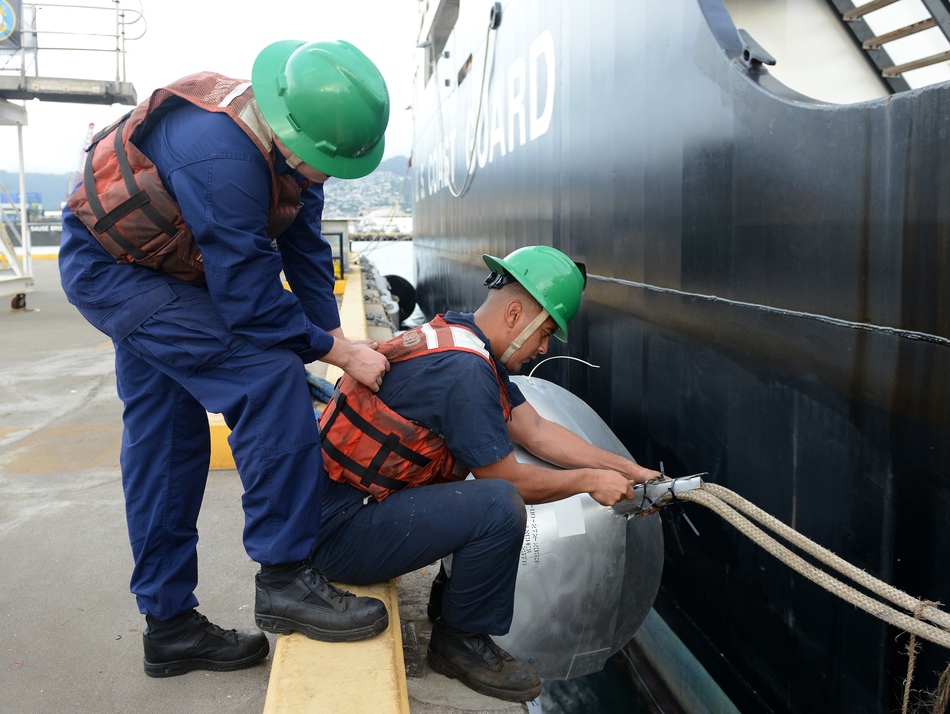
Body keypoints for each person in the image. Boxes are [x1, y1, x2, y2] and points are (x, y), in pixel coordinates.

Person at [58, 40, 393, 678]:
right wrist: (337, 350)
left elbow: (303, 251)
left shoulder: (293, 156)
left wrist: (334, 341)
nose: (323, 176)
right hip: (115, 272)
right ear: (294, 132)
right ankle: (286, 579)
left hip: (170, 271)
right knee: (267, 380)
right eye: (321, 163)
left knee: (166, 438)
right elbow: (251, 302)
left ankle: (170, 630)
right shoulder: (221, 154)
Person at [313, 245, 662, 702]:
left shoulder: (462, 340)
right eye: (545, 334)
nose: (542, 349)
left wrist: (627, 468)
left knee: (483, 500)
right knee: (498, 505)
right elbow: (512, 482)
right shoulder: (465, 371)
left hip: (341, 512)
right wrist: (589, 482)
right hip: (337, 534)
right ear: (515, 313)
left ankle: (449, 603)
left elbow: (536, 431)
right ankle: (460, 641)